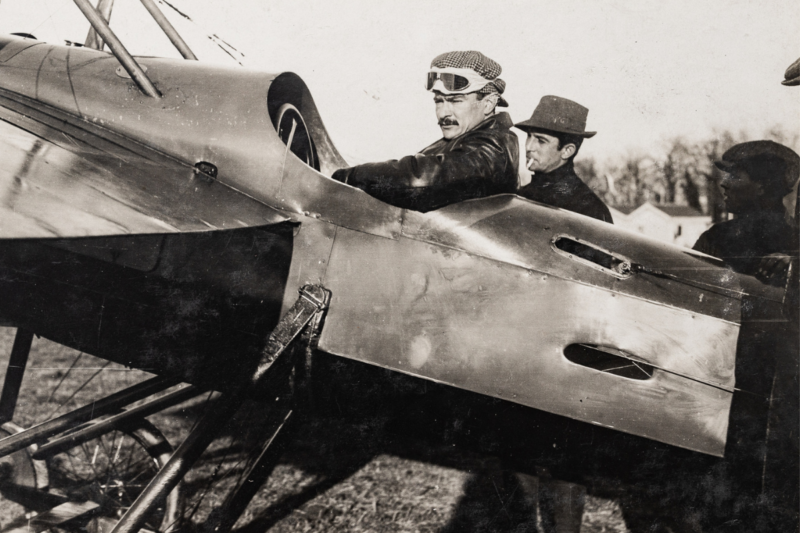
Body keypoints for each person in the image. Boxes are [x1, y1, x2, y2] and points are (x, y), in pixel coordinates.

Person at [693, 140, 799, 532]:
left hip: (723, 385)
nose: (724, 184)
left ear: (762, 187)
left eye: (735, 176)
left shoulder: (720, 239)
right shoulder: (794, 239)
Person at [332, 51, 521, 212]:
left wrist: (350, 177)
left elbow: (419, 180)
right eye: (439, 101)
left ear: (488, 104)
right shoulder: (467, 139)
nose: (444, 113)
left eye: (456, 101)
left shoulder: (492, 148)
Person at [514, 96, 613, 223]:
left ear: (567, 151)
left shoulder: (590, 210)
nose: (528, 146)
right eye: (529, 136)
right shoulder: (521, 194)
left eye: (541, 140)